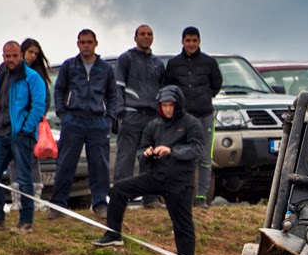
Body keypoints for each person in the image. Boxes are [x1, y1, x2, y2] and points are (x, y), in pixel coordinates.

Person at [92, 85, 203, 255]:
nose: (168, 109)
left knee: (182, 226)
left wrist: (171, 151)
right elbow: (141, 150)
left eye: (171, 105)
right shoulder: (154, 125)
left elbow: (196, 150)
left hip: (180, 183)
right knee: (118, 189)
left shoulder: (190, 123)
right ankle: (113, 233)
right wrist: (146, 154)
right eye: (164, 106)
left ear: (178, 105)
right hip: (155, 176)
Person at [0, 41, 47, 234]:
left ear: (21, 55)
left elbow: (39, 106)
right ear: (3, 57)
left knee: (24, 177)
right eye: (7, 56)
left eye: (14, 55)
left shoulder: (33, 77)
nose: (11, 59)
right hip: (0, 133)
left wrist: (26, 129)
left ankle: (26, 221)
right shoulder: (0, 77)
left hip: (21, 135)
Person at [48, 29, 118, 220]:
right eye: (82, 42)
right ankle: (58, 204)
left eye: (89, 42)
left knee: (99, 165)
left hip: (98, 121)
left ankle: (100, 204)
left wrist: (109, 118)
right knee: (65, 164)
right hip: (74, 120)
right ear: (77, 44)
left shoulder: (105, 68)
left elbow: (112, 95)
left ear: (96, 43)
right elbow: (59, 90)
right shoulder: (69, 66)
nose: (86, 45)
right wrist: (63, 114)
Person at [164, 26, 221, 208]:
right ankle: (182, 196)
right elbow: (169, 88)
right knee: (180, 155)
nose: (191, 44)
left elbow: (216, 85)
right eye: (188, 40)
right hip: (182, 118)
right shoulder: (174, 64)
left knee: (204, 157)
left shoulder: (209, 63)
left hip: (205, 116)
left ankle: (202, 197)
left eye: (194, 41)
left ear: (199, 42)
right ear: (182, 42)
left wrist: (203, 98)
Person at [113, 24, 165, 209]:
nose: (146, 37)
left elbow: (163, 91)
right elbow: (117, 87)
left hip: (152, 118)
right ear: (135, 38)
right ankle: (121, 198)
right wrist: (120, 112)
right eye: (142, 34)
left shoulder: (158, 63)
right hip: (131, 115)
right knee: (125, 159)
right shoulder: (125, 59)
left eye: (149, 34)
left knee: (151, 159)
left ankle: (150, 199)